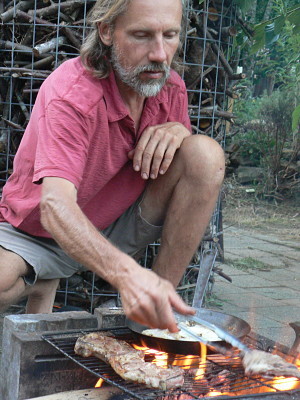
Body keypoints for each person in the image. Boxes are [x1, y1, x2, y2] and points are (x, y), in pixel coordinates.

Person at [0, 0, 225, 332]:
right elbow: (54, 206)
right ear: (106, 31)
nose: (160, 54)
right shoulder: (72, 93)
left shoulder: (170, 86)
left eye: (170, 35)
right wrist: (129, 274)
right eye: (142, 35)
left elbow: (186, 168)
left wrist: (180, 133)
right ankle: (41, 278)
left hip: (119, 221)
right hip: (41, 231)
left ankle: (155, 317)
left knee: (205, 156)